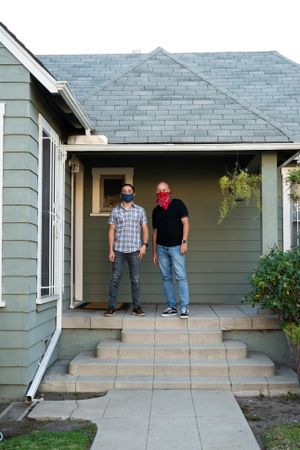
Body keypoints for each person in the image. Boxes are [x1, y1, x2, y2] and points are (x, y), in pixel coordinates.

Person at [104, 183, 149, 317]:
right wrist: (111, 250)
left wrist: (144, 245)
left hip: (135, 250)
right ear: (121, 194)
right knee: (115, 279)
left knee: (135, 279)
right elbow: (111, 230)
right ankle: (111, 307)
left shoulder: (140, 210)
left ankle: (137, 307)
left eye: (129, 191)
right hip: (118, 250)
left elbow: (145, 229)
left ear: (133, 194)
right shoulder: (115, 211)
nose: (127, 193)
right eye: (124, 191)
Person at [152, 181, 190, 318]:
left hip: (177, 247)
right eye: (159, 190)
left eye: (164, 189)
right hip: (161, 248)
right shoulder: (156, 211)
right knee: (166, 277)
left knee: (180, 276)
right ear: (156, 193)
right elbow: (155, 232)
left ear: (169, 191)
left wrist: (184, 241)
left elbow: (186, 223)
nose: (162, 192)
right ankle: (171, 306)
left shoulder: (178, 204)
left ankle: (184, 307)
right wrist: (154, 251)